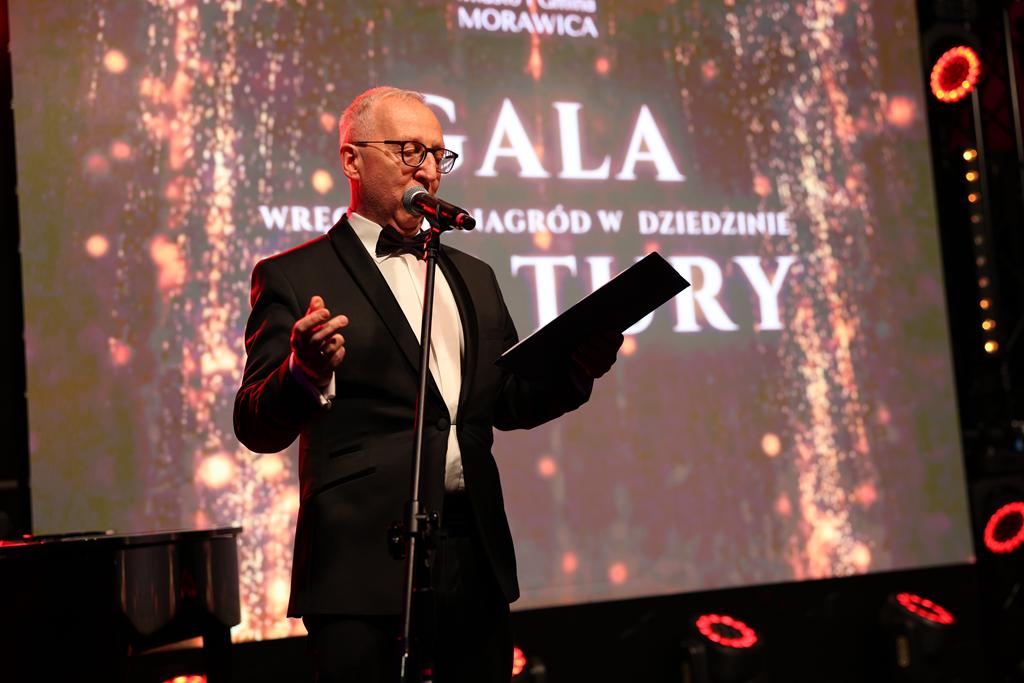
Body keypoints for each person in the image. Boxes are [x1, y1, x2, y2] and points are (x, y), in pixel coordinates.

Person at [233, 86, 622, 682]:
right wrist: (302, 373)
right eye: (409, 150)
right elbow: (254, 423)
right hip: (359, 563)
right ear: (352, 160)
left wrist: (578, 366)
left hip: (473, 552)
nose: (429, 170)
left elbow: (508, 402)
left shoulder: (475, 276)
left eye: (439, 155)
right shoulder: (293, 275)